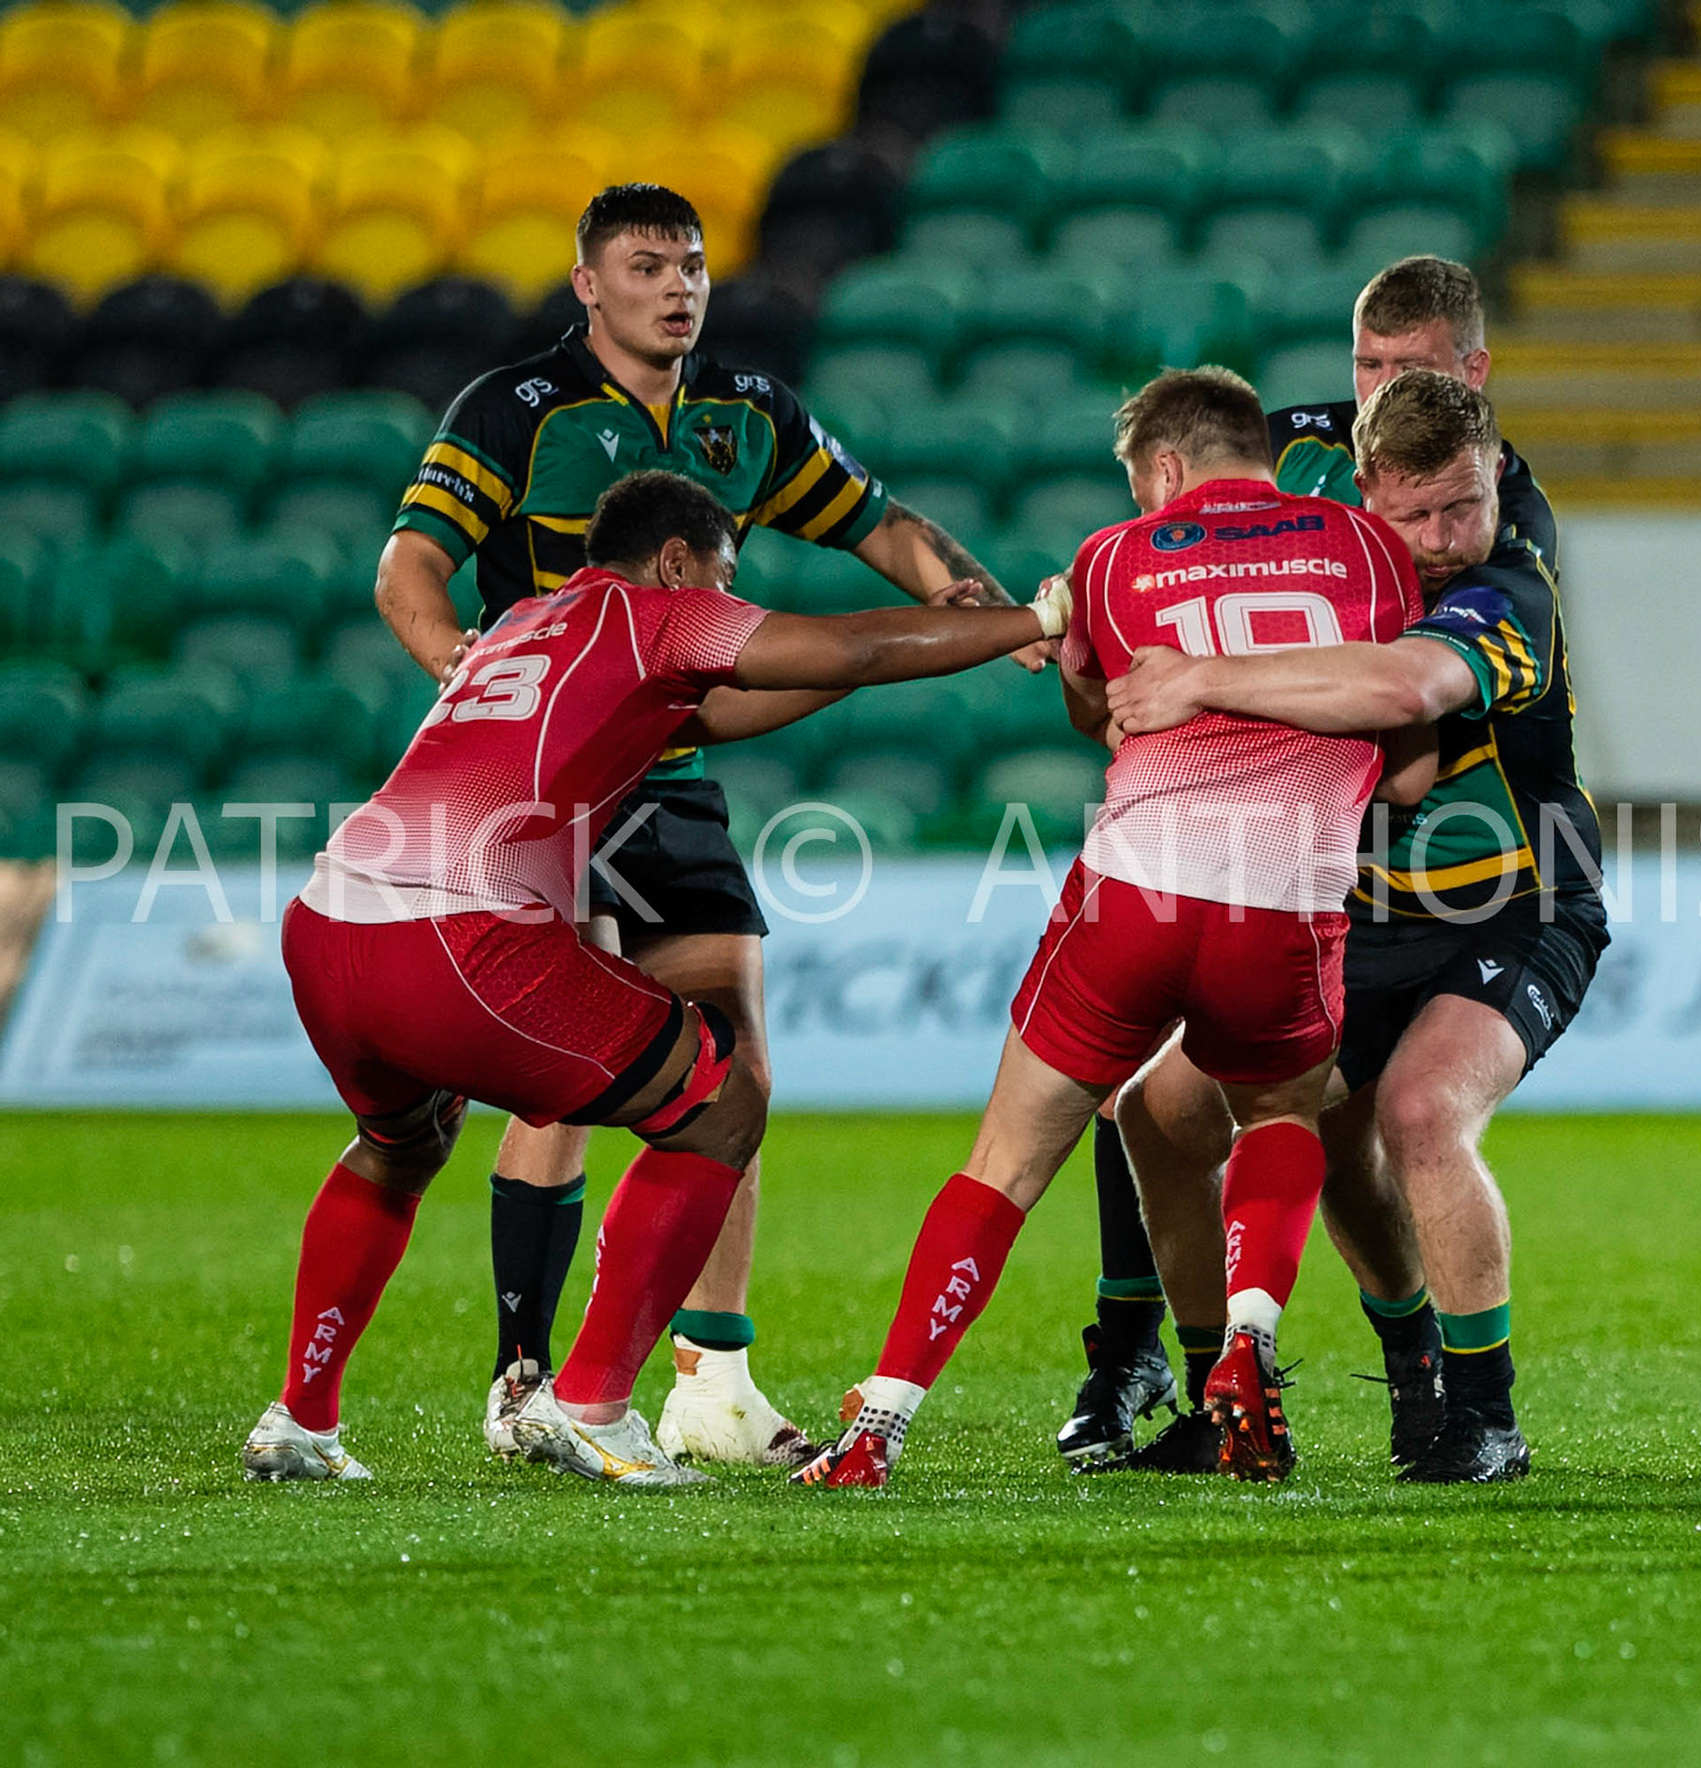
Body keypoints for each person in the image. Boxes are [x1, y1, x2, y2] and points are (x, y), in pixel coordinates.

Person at [375, 182, 1034, 1468]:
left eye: (690, 264)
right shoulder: (517, 412)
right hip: (554, 789)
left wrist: (981, 610)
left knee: (734, 1069)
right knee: (569, 1078)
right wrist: (467, 672)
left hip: (671, 778)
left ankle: (713, 1378)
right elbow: (408, 566)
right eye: (644, 265)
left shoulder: (748, 415)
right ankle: (522, 1373)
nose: (676, 286)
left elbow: (879, 527)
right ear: (586, 283)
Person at [243, 470, 1071, 1487]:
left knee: (398, 1144)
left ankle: (302, 1420)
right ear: (679, 561)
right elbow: (845, 642)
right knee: (721, 1101)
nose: (728, 602)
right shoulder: (661, 613)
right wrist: (1031, 616)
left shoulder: (525, 622)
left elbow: (721, 712)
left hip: (327, 922)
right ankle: (591, 1404)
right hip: (456, 934)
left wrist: (890, 656)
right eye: (724, 579)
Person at [790, 368, 1433, 1489]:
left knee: (1005, 1159)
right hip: (1282, 891)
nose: (1139, 499)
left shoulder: (1110, 558)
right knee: (1280, 1110)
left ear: (1169, 468)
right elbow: (1413, 748)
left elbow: (1105, 714)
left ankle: (880, 1421)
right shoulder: (1373, 546)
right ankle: (1249, 1344)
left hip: (1136, 882)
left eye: (1140, 481)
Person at [1067, 254, 1566, 1479]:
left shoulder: (1512, 571)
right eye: (1369, 372)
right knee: (1162, 1120)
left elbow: (1405, 690)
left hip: (1511, 898)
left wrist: (1199, 676)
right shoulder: (1314, 476)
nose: (1447, 536)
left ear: (1482, 410)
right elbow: (1179, 512)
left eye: (1463, 502)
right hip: (1351, 906)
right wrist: (1085, 613)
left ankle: (1484, 1413)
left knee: (1414, 1113)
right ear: (1364, 486)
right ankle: (1212, 1383)